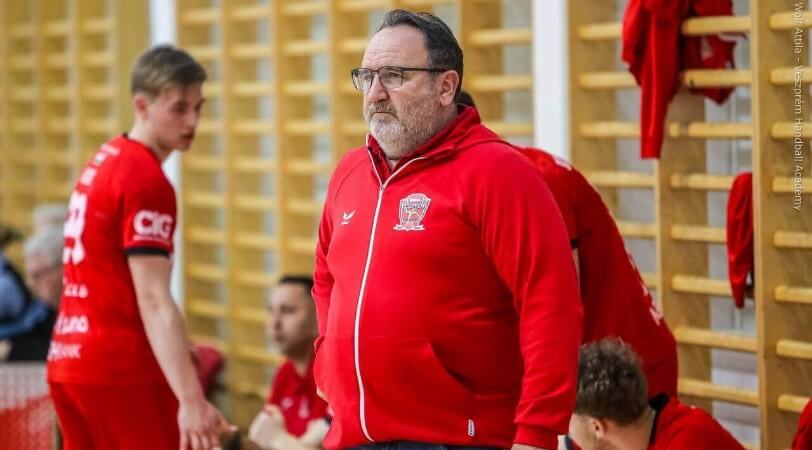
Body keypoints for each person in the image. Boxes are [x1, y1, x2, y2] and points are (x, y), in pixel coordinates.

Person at [313, 10, 582, 450]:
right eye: (367, 77)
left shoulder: (499, 172)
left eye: (394, 76)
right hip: (352, 435)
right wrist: (328, 358)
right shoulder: (350, 171)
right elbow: (326, 276)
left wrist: (537, 433)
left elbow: (550, 303)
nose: (375, 93)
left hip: (458, 438)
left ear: (445, 86)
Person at [47, 44, 232, 450]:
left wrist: (179, 347)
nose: (192, 121)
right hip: (118, 368)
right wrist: (191, 398)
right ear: (142, 106)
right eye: (179, 108)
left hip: (68, 358)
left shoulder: (105, 159)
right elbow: (152, 296)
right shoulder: (146, 179)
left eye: (198, 107)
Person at [457, 92, 678, 399]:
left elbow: (558, 301)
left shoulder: (533, 180)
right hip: (598, 368)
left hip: (625, 372)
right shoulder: (494, 176)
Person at [569, 339, 744, 450]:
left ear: (597, 426)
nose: (567, 430)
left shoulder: (686, 441)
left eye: (568, 420)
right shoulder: (660, 427)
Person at [248, 276, 329, 450]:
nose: (274, 323)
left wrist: (278, 439)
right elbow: (263, 440)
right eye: (271, 311)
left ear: (318, 317)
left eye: (287, 311)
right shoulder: (285, 371)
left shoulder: (330, 375)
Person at [4, 226, 63, 361]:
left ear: (63, 269)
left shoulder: (87, 311)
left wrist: (12, 350)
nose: (30, 284)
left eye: (37, 275)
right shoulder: (44, 312)